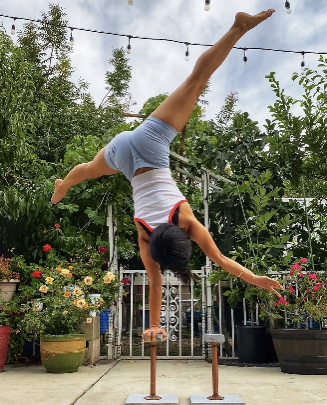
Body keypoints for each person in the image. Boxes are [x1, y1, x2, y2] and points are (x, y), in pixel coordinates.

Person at [51, 9, 283, 341]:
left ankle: (238, 27)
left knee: (196, 81)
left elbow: (219, 258)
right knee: (90, 170)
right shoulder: (145, 235)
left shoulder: (187, 220)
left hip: (151, 144)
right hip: (125, 156)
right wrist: (154, 324)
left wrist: (255, 278)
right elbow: (157, 282)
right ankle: (64, 185)